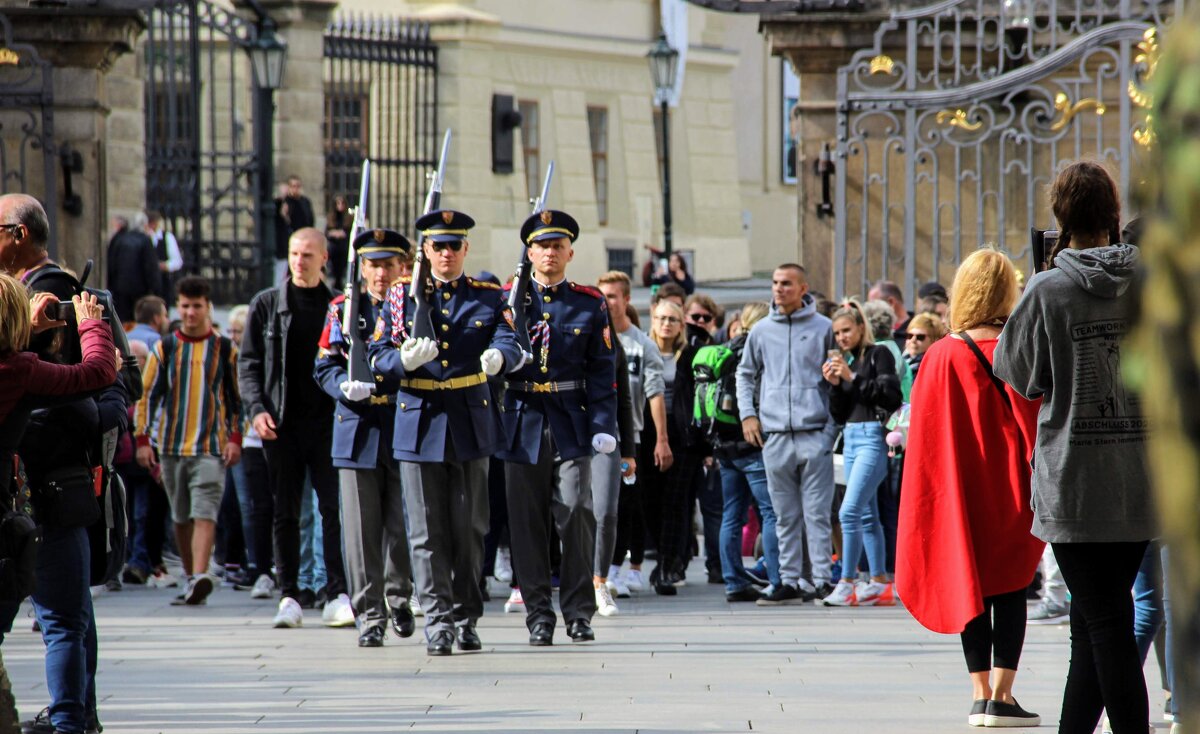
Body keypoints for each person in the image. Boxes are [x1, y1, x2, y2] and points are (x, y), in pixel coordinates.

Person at [994, 161, 1155, 734]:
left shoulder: (1048, 288)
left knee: (1105, 621)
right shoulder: (1153, 284)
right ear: (1113, 213)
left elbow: (1016, 373)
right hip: (1141, 474)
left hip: (1076, 481)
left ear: (1060, 216)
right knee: (1091, 623)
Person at [897, 248, 1044, 727]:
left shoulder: (939, 354)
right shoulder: (1016, 346)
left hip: (960, 493)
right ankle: (1004, 694)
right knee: (1012, 588)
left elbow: (926, 438)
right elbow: (1033, 424)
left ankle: (980, 695)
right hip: (1011, 489)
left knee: (973, 588)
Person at [369, 210, 521, 655]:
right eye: (439, 246)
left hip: (470, 421)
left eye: (455, 245)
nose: (448, 253)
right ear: (426, 251)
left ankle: (466, 616)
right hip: (418, 422)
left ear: (466, 250)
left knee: (470, 529)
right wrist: (404, 362)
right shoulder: (402, 296)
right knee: (424, 532)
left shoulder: (488, 296)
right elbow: (378, 353)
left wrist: (499, 358)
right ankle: (437, 621)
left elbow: (510, 340)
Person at [499, 209, 617, 646]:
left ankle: (579, 611)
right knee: (526, 524)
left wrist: (604, 424)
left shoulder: (588, 302)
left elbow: (604, 370)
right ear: (529, 252)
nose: (549, 253)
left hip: (570, 419)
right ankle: (538, 615)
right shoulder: (509, 300)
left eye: (557, 246)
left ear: (570, 252)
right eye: (541, 246)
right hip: (521, 418)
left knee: (576, 513)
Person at [239, 227, 351, 629]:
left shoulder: (339, 305)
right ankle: (289, 594)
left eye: (307, 254)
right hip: (282, 425)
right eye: (293, 254)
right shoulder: (267, 304)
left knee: (332, 510)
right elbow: (249, 365)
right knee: (284, 512)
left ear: (324, 258)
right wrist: (256, 409)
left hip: (328, 425)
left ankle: (337, 591)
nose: (298, 261)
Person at [315, 228, 417, 648]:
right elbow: (324, 366)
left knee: (403, 524)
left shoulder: (411, 308)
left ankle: (399, 594)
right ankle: (370, 613)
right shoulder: (343, 308)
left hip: (403, 420)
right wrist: (343, 386)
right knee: (360, 529)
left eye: (389, 265)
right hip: (357, 426)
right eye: (373, 265)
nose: (381, 273)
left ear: (402, 268)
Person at [133, 276, 242, 606]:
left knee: (204, 510)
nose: (191, 312)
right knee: (180, 516)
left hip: (210, 446)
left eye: (197, 306)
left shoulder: (225, 349)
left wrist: (235, 437)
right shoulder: (165, 348)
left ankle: (197, 575)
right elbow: (146, 394)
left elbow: (237, 398)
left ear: (208, 308)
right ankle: (191, 576)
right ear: (178, 308)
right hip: (170, 446)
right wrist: (142, 440)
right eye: (185, 306)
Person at [737, 264, 838, 605]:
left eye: (787, 284)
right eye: (776, 283)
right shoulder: (762, 330)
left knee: (817, 513)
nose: (779, 290)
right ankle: (790, 579)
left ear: (803, 287)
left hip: (814, 431)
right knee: (785, 515)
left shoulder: (824, 328)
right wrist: (748, 416)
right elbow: (745, 374)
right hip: (776, 434)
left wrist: (829, 429)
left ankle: (822, 579)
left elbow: (835, 376)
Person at [820, 301, 902, 607]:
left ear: (860, 328)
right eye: (837, 333)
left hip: (872, 438)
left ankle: (847, 581)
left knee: (848, 512)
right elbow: (839, 412)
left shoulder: (877, 353)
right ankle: (879, 582)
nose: (841, 337)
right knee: (867, 515)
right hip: (851, 438)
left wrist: (853, 379)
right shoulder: (846, 360)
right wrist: (835, 385)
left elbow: (891, 395)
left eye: (846, 330)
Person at [596, 271, 670, 598]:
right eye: (603, 296)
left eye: (613, 296)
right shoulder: (592, 338)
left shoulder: (642, 345)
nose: (607, 302)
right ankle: (594, 567)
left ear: (626, 300)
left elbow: (654, 392)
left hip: (630, 440)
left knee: (624, 504)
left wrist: (663, 440)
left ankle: (615, 570)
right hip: (593, 439)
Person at [712, 302, 782, 602]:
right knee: (770, 512)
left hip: (724, 445)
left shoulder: (725, 348)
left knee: (732, 514)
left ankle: (733, 582)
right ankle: (779, 579)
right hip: (752, 441)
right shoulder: (759, 348)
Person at [105, 217, 159, 323]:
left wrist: (110, 286)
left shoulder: (118, 239)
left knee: (122, 320)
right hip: (140, 290)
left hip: (119, 289)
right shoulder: (145, 240)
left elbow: (111, 264)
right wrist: (154, 289)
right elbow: (150, 267)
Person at [145, 211, 183, 300]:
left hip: (162, 281)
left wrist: (165, 265)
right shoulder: (144, 237)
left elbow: (177, 261)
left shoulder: (167, 237)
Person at [902, 312, 947, 379]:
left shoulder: (934, 368)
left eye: (920, 337)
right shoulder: (899, 362)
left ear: (933, 339)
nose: (913, 340)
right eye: (910, 336)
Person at [325, 194, 352, 291]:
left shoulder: (348, 218)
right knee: (333, 273)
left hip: (344, 248)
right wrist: (335, 233)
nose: (340, 205)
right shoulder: (331, 217)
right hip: (334, 249)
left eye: (342, 203)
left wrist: (342, 233)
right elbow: (327, 232)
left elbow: (349, 233)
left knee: (342, 273)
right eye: (338, 203)